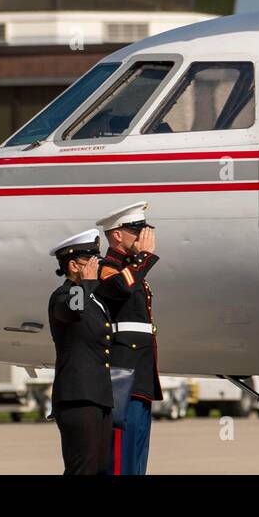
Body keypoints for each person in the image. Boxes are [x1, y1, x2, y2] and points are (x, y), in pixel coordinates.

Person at [94, 201, 161, 476]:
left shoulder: (133, 271)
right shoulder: (107, 268)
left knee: (137, 459)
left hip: (140, 377)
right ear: (117, 235)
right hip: (123, 378)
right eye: (136, 230)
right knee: (121, 458)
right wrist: (143, 258)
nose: (143, 235)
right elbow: (117, 289)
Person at [47, 229, 114, 475]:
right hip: (77, 398)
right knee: (82, 469)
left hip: (100, 397)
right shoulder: (64, 296)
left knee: (99, 468)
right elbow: (74, 310)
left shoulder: (94, 300)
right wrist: (85, 282)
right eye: (91, 262)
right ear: (74, 265)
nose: (97, 267)